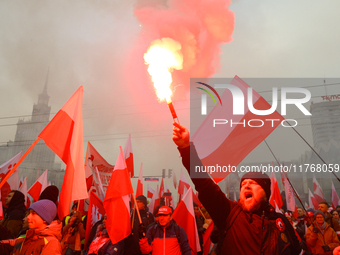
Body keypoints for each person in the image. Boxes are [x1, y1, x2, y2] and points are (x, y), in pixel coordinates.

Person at [172, 122, 302, 255]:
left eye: (253, 183)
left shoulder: (280, 221)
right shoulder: (229, 214)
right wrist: (186, 148)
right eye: (243, 184)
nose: (246, 185)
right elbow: (204, 185)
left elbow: (298, 252)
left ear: (265, 192)